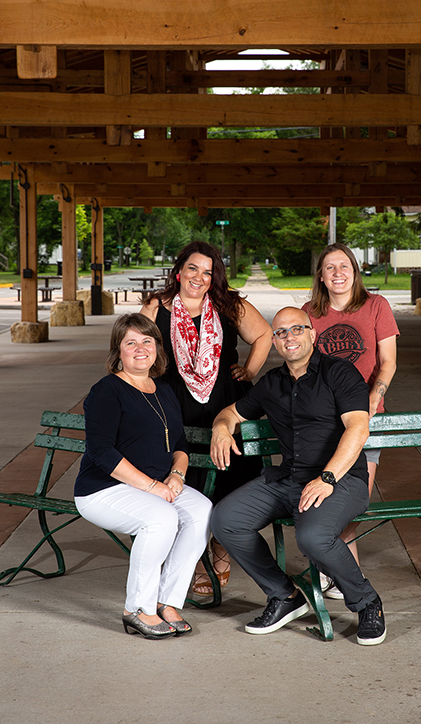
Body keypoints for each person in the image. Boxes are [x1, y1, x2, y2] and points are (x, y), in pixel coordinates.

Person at [210, 307, 386, 645]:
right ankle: (285, 596)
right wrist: (221, 428)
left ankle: (367, 603)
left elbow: (358, 429)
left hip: (342, 480)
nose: (289, 337)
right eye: (281, 332)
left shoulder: (340, 373)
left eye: (296, 329)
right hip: (288, 478)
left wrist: (328, 477)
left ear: (312, 334)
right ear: (274, 341)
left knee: (313, 537)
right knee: (225, 519)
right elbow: (231, 413)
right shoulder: (271, 384)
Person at [141, 241, 272, 594]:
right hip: (175, 401)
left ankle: (222, 545)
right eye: (193, 268)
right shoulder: (157, 306)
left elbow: (264, 334)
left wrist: (249, 369)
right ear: (179, 270)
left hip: (226, 402)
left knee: (231, 475)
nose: (199, 277)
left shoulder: (230, 305)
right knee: (187, 479)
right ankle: (195, 556)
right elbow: (139, 345)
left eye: (208, 272)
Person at [74, 313, 212, 639]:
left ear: (157, 348)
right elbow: (102, 452)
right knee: (161, 518)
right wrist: (152, 486)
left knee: (202, 511)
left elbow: (178, 443)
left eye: (147, 341)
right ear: (117, 351)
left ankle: (167, 601)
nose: (140, 349)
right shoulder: (107, 391)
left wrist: (177, 475)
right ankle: (137, 608)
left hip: (156, 486)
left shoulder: (163, 391)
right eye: (130, 343)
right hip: (104, 489)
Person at [302, 243, 399, 598]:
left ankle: (337, 574)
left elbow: (387, 360)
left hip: (364, 421)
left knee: (349, 508)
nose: (338, 273)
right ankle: (344, 577)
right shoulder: (309, 313)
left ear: (355, 272)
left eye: (344, 266)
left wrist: (377, 392)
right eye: (330, 268)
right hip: (322, 424)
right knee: (323, 504)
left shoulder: (376, 306)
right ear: (321, 277)